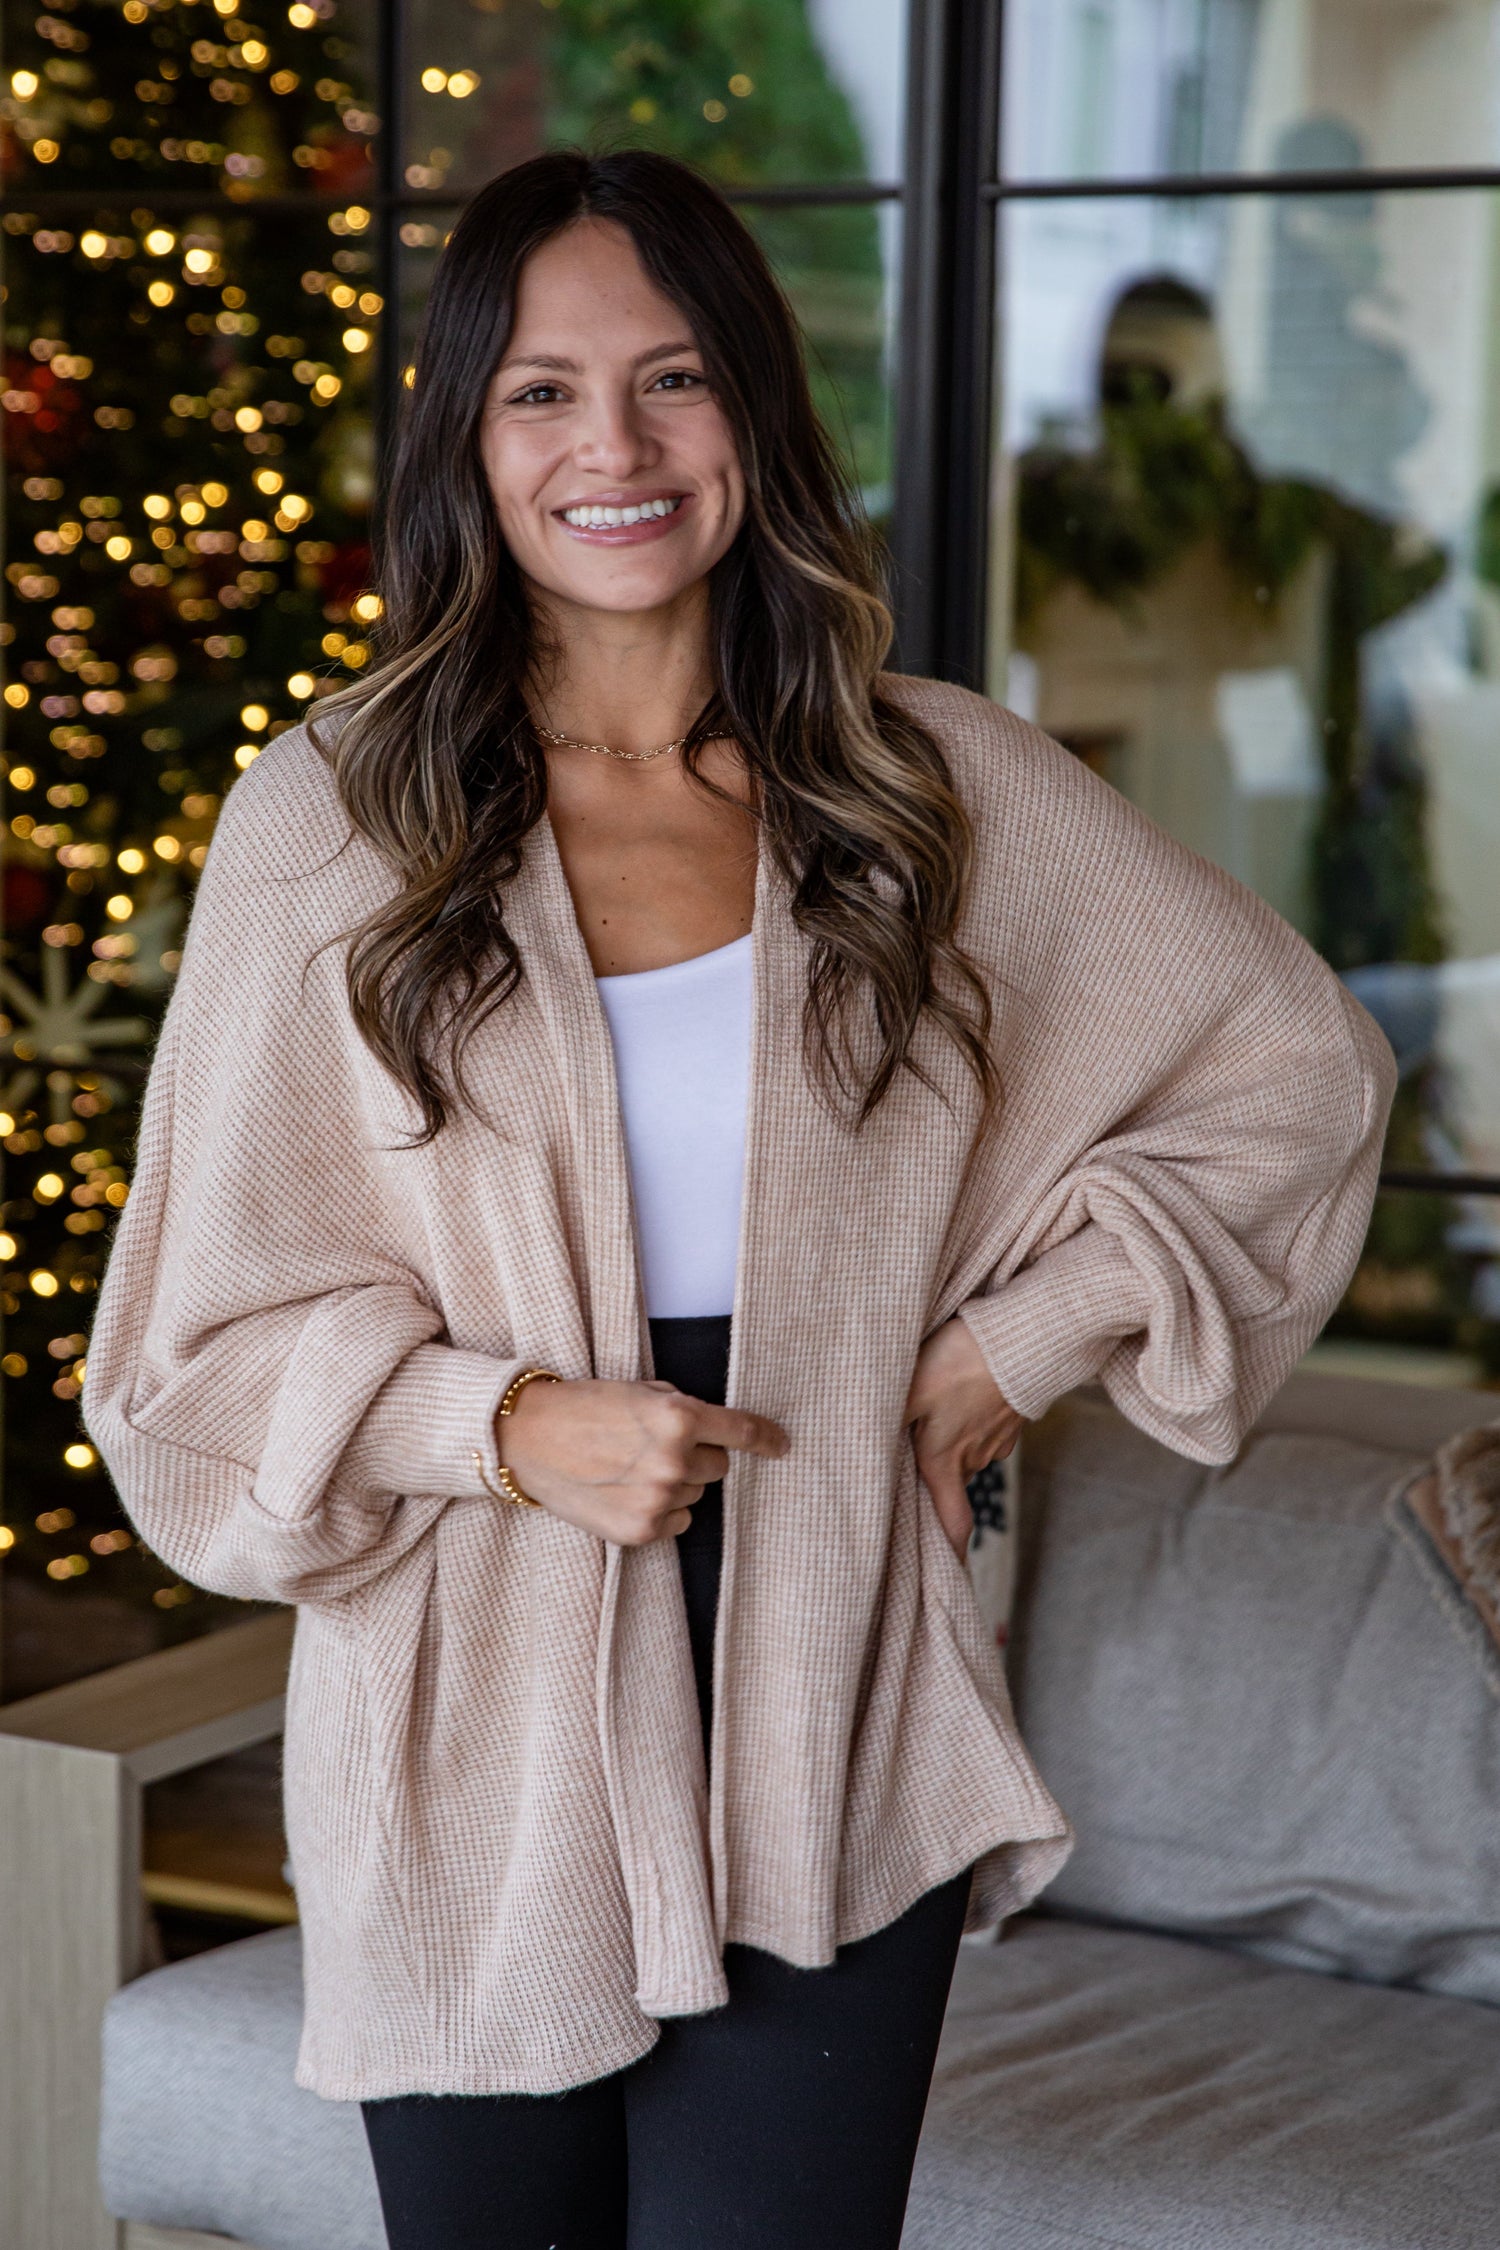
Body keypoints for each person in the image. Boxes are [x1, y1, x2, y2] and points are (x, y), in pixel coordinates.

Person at [85, 148, 1396, 2250]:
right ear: (466, 438)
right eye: (541, 391)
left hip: (834, 1673)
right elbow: (181, 1358)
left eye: (673, 379)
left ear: (754, 418)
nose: (614, 444)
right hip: (471, 1699)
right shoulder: (338, 819)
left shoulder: (929, 789)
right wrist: (503, 1430)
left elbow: (1300, 1074)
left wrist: (1009, 1347)